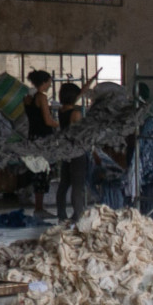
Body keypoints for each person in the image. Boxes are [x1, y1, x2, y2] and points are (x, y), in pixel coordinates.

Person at [23, 70, 57, 219]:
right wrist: (63, 124)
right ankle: (39, 209)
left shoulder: (27, 98)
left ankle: (39, 207)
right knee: (43, 172)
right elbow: (48, 121)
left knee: (38, 171)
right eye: (49, 81)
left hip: (33, 136)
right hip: (43, 139)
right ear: (44, 82)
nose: (50, 84)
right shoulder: (41, 97)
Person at [55, 82, 89, 222]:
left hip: (65, 151)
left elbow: (76, 96)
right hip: (76, 151)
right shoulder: (76, 114)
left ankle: (61, 214)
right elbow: (81, 133)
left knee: (64, 184)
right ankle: (78, 215)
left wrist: (84, 87)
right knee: (77, 185)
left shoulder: (61, 111)